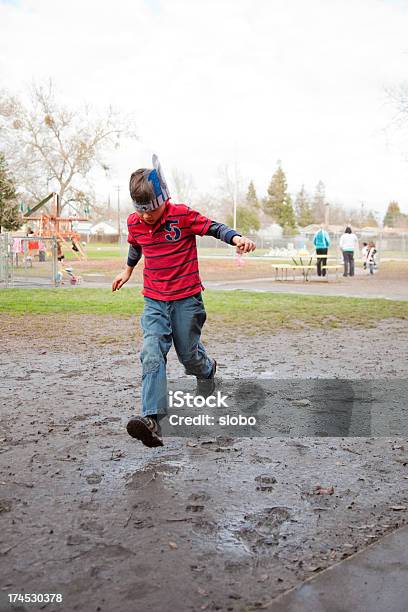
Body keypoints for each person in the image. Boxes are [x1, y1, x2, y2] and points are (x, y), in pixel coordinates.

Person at [112, 155, 256, 448]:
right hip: (154, 300)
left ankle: (207, 370)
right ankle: (152, 420)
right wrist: (128, 270)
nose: (146, 217)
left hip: (186, 299)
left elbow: (214, 227)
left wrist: (237, 238)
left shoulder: (182, 215)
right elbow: (136, 245)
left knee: (188, 356)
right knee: (151, 351)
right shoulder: (135, 222)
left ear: (164, 198)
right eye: (140, 211)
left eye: (151, 210)